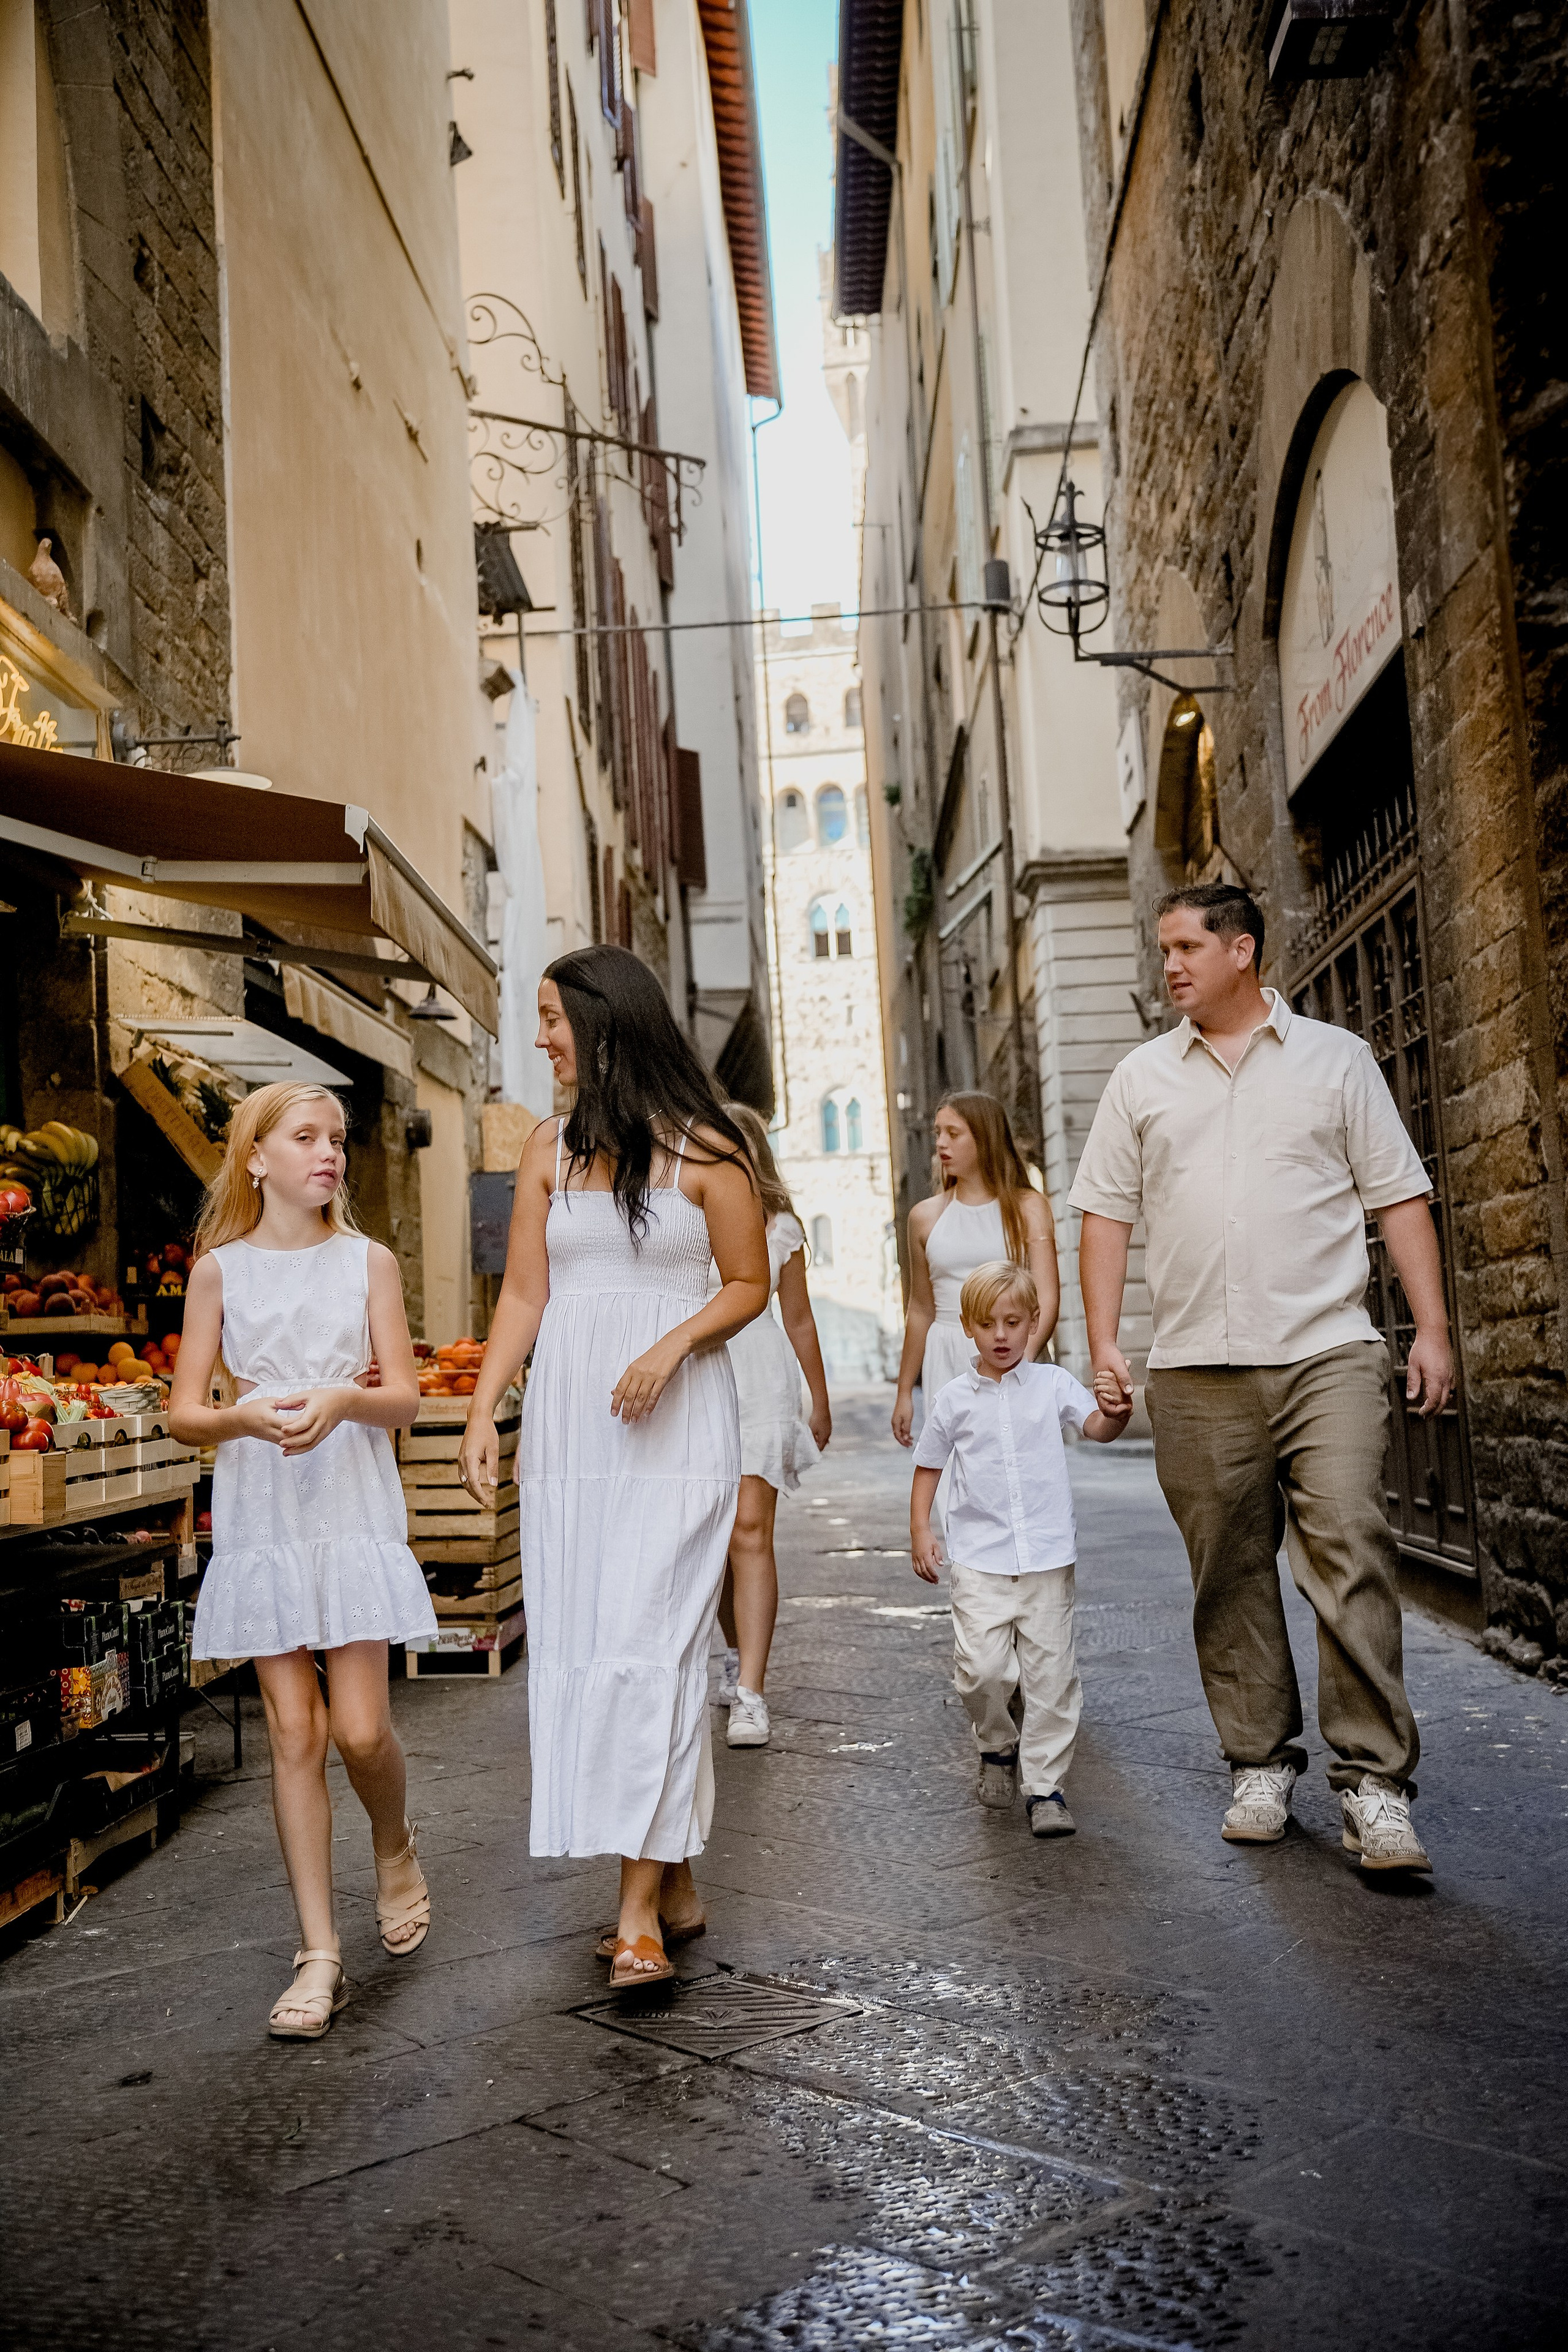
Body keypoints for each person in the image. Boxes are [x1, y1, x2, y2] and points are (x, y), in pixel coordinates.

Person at [1071, 881, 1452, 1872]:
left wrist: (1433, 1330)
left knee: (1351, 1548)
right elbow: (1105, 1214)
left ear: (1242, 951)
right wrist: (1105, 1342)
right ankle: (1258, 1763)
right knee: (1229, 1571)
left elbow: (1399, 1198)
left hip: (1327, 1351)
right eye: (1164, 950)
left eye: (1187, 948)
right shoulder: (1141, 1079)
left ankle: (1374, 1785)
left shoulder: (1337, 1060)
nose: (1169, 966)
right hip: (1196, 1368)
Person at [458, 946, 769, 1988]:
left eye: (552, 1017)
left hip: (676, 1428)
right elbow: (524, 1295)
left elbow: (747, 1283)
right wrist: (483, 1406)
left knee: (655, 1645)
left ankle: (635, 1916)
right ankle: (670, 1880)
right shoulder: (547, 1149)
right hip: (572, 1433)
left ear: (603, 1023)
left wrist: (671, 1344)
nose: (540, 1037)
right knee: (597, 1646)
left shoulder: (708, 1149)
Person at [170, 1082, 436, 2042]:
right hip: (263, 1506)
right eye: (306, 1137)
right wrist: (241, 1417)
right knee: (294, 1732)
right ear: (256, 1158)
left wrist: (343, 1401)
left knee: (360, 1731)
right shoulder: (219, 1273)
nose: (329, 1153)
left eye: (338, 1139)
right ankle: (318, 1954)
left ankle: (394, 1845)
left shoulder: (369, 1261)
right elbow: (184, 1412)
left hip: (351, 1499)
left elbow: (404, 1397)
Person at [910, 1261, 1131, 1834]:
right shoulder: (954, 1399)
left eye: (1013, 1322)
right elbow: (929, 1464)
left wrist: (1117, 1414)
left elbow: (1096, 1428)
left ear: (1034, 1322)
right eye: (988, 1324)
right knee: (980, 1671)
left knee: (1052, 1679)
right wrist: (921, 1530)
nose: (1001, 1335)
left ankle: (1046, 1789)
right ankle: (997, 1744)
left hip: (1047, 1559)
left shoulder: (1053, 1383)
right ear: (968, 1327)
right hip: (979, 1558)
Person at [709, 1101, 831, 1751]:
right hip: (700, 1380)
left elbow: (799, 1318)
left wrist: (819, 1397)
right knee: (712, 1538)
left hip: (760, 1380)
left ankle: (751, 1692)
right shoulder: (687, 1216)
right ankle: (734, 1655)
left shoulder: (781, 1226)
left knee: (750, 1532)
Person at [892, 1091, 1059, 1451]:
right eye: (938, 1133)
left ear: (984, 1139)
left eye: (953, 1133)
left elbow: (1046, 1296)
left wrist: (1022, 1360)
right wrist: (905, 1391)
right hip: (948, 1352)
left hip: (1013, 1348)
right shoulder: (924, 1217)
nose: (941, 1143)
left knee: (1017, 1463)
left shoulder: (1029, 1207)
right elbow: (920, 1309)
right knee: (954, 1469)